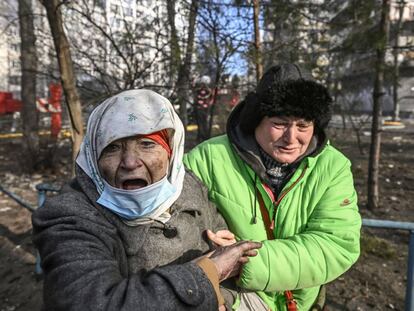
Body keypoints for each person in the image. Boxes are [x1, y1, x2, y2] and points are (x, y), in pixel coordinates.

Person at [32, 89, 262, 311]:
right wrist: (207, 274)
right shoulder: (69, 216)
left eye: (147, 144)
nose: (130, 162)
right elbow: (90, 303)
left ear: (171, 152)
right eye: (112, 148)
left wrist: (223, 296)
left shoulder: (188, 186)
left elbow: (228, 261)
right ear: (94, 159)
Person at [184, 64, 362, 310]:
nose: (291, 138)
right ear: (255, 119)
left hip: (302, 303)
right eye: (280, 123)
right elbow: (178, 228)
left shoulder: (333, 167)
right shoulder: (207, 159)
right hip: (233, 299)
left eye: (303, 126)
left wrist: (242, 259)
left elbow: (336, 245)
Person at [194, 75, 213, 142]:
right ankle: (200, 137)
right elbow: (196, 96)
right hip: (199, 109)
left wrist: (208, 104)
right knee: (199, 124)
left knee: (205, 123)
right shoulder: (198, 90)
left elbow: (211, 97)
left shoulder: (208, 91)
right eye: (202, 84)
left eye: (204, 84)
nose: (203, 85)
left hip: (205, 109)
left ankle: (205, 137)